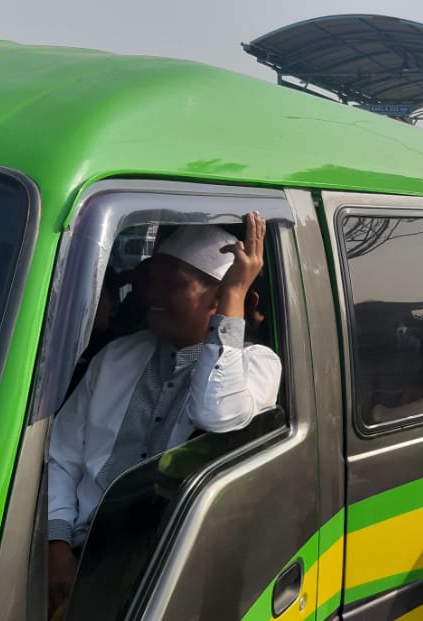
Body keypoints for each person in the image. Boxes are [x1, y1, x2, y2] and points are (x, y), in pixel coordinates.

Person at [46, 213, 283, 615]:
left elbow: (217, 414)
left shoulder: (256, 364)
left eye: (171, 284)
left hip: (170, 561)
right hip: (84, 549)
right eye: (152, 280)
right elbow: (62, 455)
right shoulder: (116, 357)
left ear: (219, 298)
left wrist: (234, 297)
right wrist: (56, 543)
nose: (151, 293)